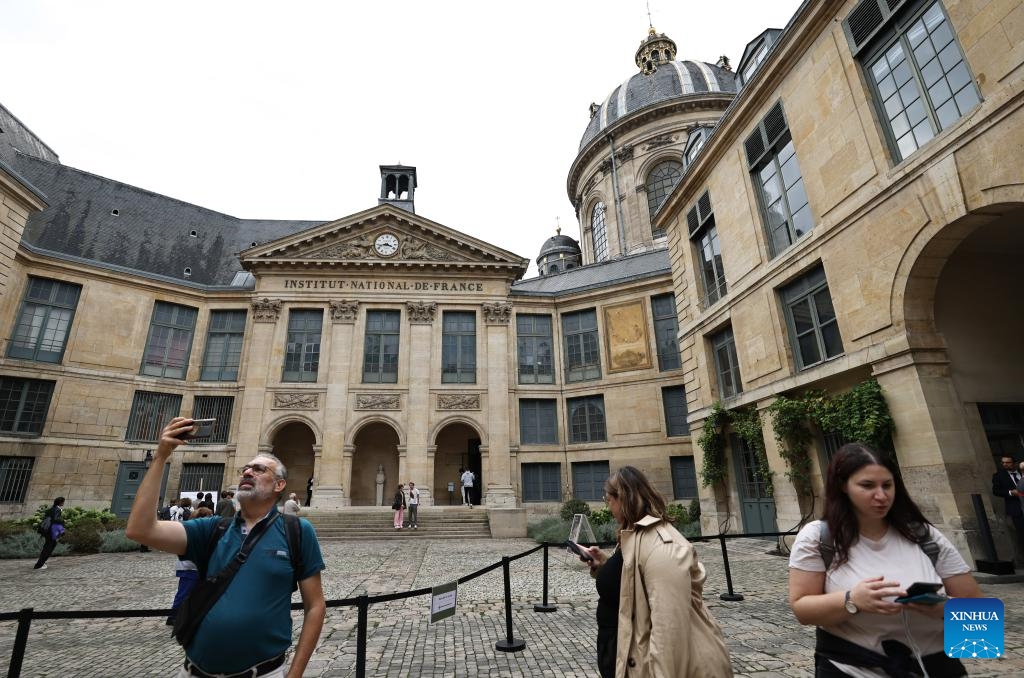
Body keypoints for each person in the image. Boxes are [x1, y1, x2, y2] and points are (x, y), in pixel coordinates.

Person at [126, 417, 326, 678]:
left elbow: (315, 606)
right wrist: (161, 456)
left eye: (259, 469)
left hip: (263, 673)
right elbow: (140, 530)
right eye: (246, 468)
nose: (247, 472)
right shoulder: (211, 529)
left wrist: (295, 674)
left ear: (280, 485)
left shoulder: (296, 532)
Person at [789, 443, 982, 677]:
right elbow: (802, 610)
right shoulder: (819, 538)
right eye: (867, 486)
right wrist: (852, 601)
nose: (881, 496)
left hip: (936, 668)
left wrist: (942, 607)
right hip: (852, 669)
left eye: (887, 485)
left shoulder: (925, 535)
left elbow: (981, 623)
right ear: (843, 487)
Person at [577, 466, 732, 678]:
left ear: (622, 499)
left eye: (608, 499)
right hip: (624, 651)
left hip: (641, 660)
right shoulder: (632, 533)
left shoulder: (662, 546)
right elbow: (630, 579)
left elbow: (668, 632)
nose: (608, 504)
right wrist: (604, 564)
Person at [167, 506, 214, 626]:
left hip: (192, 567)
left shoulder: (190, 528)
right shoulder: (194, 530)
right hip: (190, 567)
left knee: (192, 593)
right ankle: (173, 616)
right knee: (184, 593)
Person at [991, 455, 1024, 565]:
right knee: (1021, 534)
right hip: (1016, 509)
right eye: (1003, 463)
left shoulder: (1021, 472)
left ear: (1014, 463)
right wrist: (1010, 492)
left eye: (1008, 463)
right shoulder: (999, 476)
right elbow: (996, 491)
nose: (1005, 464)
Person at [33, 497, 66, 570]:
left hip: (47, 530)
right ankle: (39, 564)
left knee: (49, 546)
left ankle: (41, 562)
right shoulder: (57, 509)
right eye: (63, 502)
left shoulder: (51, 509)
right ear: (60, 502)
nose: (63, 503)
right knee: (49, 547)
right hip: (51, 531)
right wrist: (63, 521)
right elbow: (56, 519)